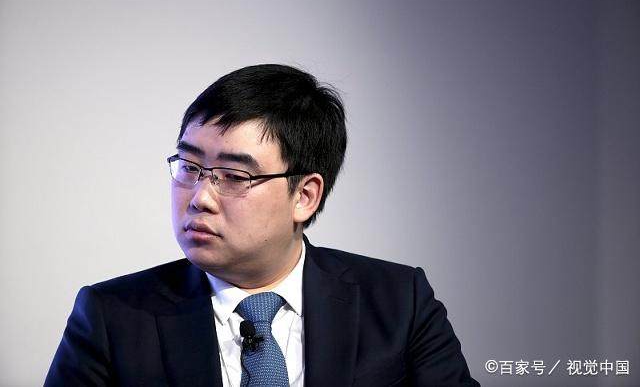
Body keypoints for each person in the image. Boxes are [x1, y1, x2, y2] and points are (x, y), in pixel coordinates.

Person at [45, 64, 479, 386]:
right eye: (190, 167)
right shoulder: (112, 316)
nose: (200, 197)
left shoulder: (400, 302)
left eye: (234, 176)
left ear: (304, 196)